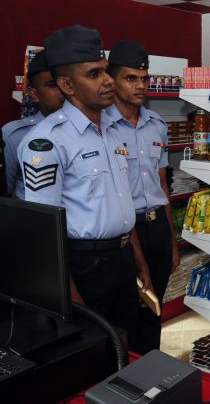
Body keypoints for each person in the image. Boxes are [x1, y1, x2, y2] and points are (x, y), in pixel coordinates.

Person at [17, 25, 152, 348]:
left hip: (122, 256)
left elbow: (122, 202)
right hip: (84, 266)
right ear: (67, 85)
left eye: (106, 70)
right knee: (93, 351)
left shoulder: (113, 130)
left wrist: (138, 259)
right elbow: (45, 232)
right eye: (94, 74)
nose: (108, 80)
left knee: (127, 343)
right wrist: (70, 299)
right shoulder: (47, 141)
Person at [106, 41, 180, 355]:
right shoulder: (103, 128)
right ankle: (129, 375)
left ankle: (152, 370)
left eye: (144, 78)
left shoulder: (156, 125)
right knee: (127, 315)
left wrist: (171, 241)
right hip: (125, 232)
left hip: (157, 227)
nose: (140, 85)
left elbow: (162, 184)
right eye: (130, 78)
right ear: (111, 80)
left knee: (153, 309)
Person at [2, 51, 64, 197]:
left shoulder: (94, 129)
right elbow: (4, 196)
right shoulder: (15, 135)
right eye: (53, 85)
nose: (64, 91)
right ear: (34, 94)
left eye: (68, 83)